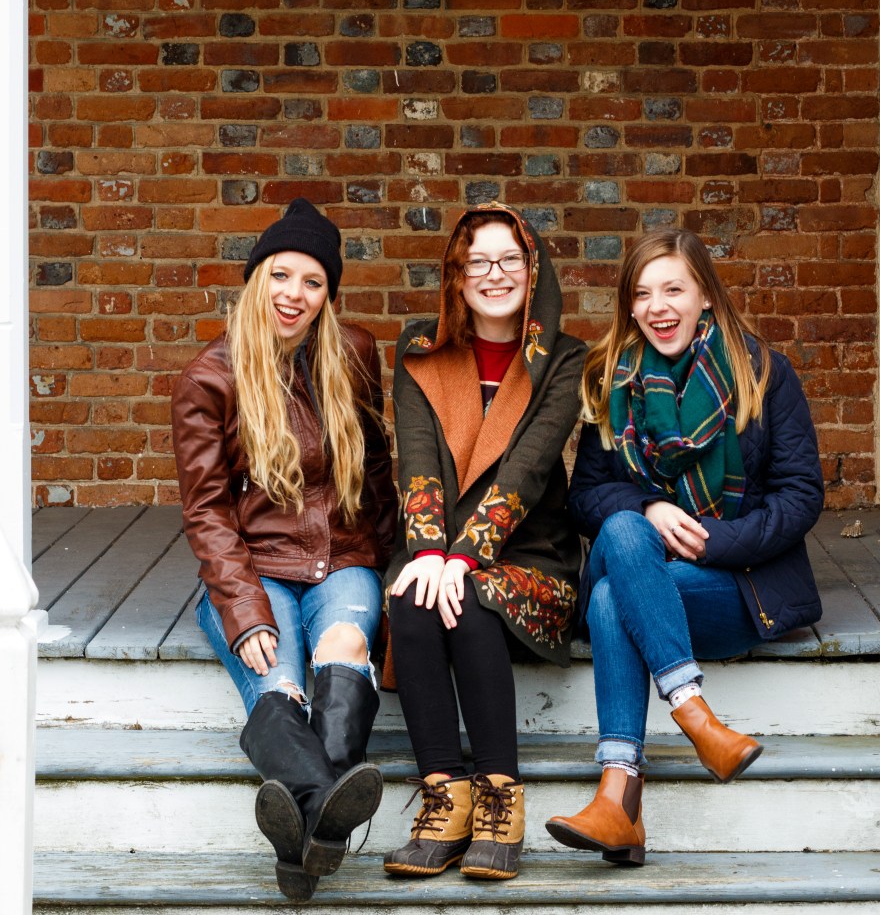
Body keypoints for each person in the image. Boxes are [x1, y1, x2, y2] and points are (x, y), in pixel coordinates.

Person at [545, 227, 824, 866]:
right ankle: (694, 713)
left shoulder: (763, 373)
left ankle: (618, 797)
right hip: (645, 560)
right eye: (642, 294)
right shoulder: (610, 378)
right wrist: (651, 506)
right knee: (624, 530)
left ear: (705, 295)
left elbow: (800, 495)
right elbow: (586, 496)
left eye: (673, 289)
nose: (658, 307)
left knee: (611, 598)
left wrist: (709, 542)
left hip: (732, 580)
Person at [171, 198, 398, 901]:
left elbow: (379, 471)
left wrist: (394, 568)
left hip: (344, 560)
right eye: (280, 275)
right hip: (255, 568)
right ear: (255, 278)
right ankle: (322, 819)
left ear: (328, 293)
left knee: (344, 647)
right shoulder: (209, 378)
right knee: (278, 681)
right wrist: (244, 612)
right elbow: (207, 511)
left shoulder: (353, 354)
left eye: (312, 281)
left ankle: (298, 835)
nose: (293, 294)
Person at [382, 204, 586, 882]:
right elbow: (416, 459)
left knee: (465, 598)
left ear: (533, 269)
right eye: (477, 262)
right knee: (411, 598)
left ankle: (501, 800)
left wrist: (466, 557)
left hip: (530, 554)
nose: (494, 274)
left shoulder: (564, 359)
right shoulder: (420, 348)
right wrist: (429, 551)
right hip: (436, 538)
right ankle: (444, 799)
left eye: (509, 260)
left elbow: (527, 469)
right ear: (456, 275)